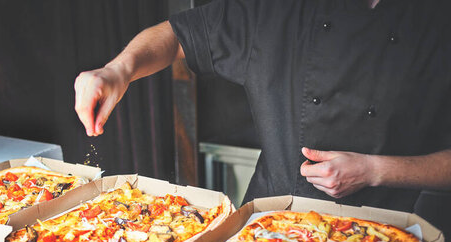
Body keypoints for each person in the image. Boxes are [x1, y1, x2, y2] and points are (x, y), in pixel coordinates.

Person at [74, 0, 451, 212]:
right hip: (267, 223)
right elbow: (177, 36)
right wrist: (118, 70)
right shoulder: (275, 9)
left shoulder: (436, 21)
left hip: (389, 233)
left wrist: (373, 170)